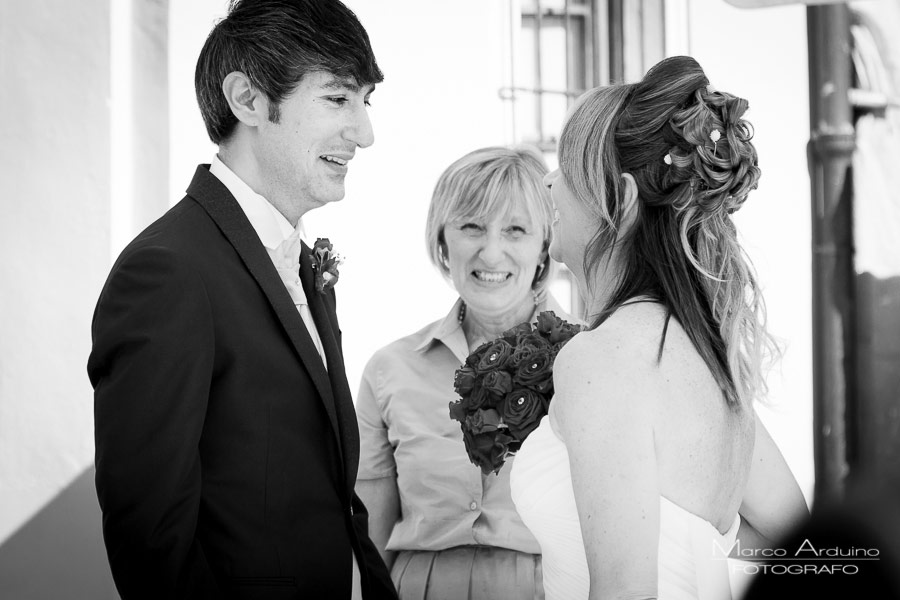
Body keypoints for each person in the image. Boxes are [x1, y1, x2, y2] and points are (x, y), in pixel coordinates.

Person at [87, 1, 396, 598]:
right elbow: (151, 542)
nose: (364, 132)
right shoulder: (168, 272)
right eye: (337, 98)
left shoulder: (296, 259)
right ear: (249, 100)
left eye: (365, 101)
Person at [509, 56, 809, 600]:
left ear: (620, 200)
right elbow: (797, 545)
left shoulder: (604, 359)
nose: (548, 184)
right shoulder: (709, 357)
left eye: (565, 169)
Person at [356, 146, 567, 599]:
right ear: (442, 242)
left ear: (545, 246)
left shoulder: (588, 360)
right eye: (472, 226)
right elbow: (368, 543)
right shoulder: (389, 370)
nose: (491, 252)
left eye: (515, 229)